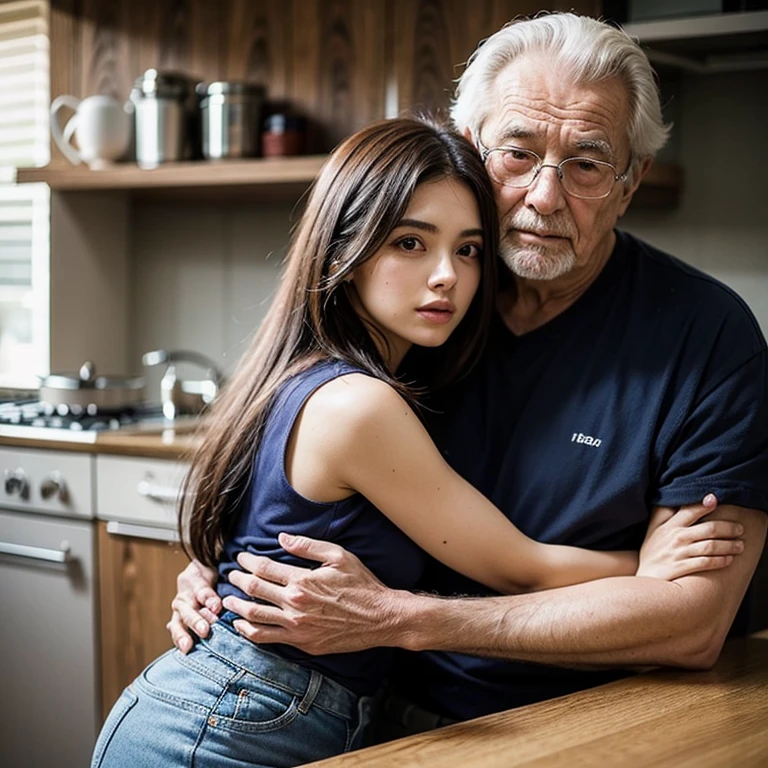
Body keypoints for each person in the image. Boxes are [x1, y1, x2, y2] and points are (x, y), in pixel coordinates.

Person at [168, 11, 768, 737]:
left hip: (591, 720)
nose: (545, 198)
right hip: (356, 715)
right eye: (517, 153)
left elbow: (691, 622)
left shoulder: (706, 333)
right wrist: (223, 571)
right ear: (469, 150)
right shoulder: (420, 309)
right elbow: (288, 473)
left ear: (630, 181)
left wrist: (410, 620)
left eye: (585, 162)